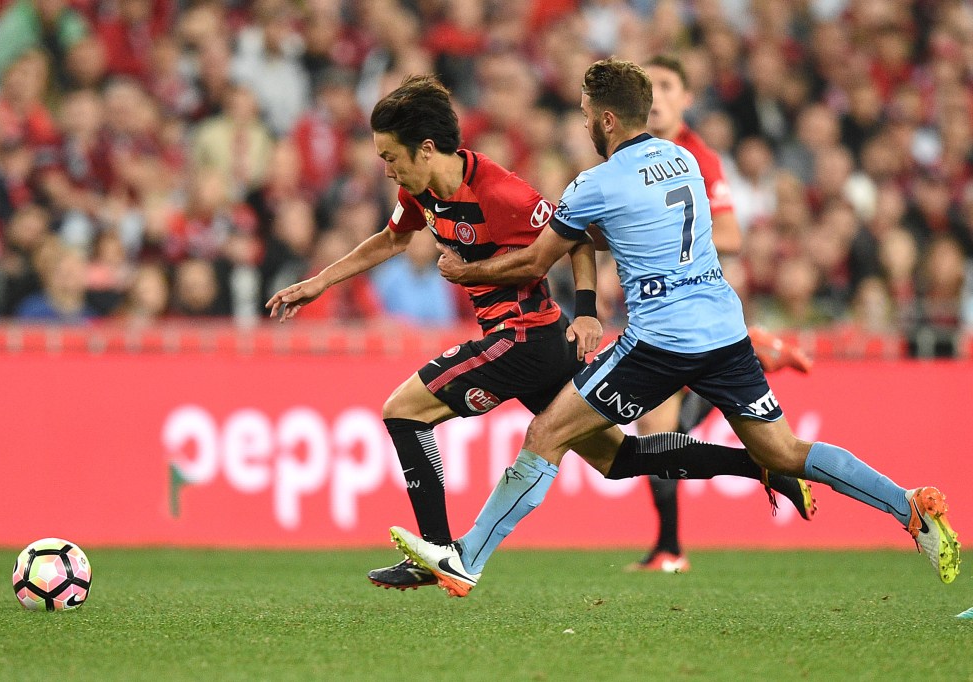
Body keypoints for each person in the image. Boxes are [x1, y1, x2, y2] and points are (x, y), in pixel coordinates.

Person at [390, 58, 960, 597]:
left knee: (546, 436)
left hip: (660, 341)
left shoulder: (596, 183)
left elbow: (536, 261)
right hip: (724, 330)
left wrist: (468, 270)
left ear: (607, 119)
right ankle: (905, 503)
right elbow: (639, 230)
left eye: (588, 113)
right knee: (784, 452)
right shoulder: (680, 159)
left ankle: (466, 559)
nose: (585, 122)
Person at [267, 75, 816, 593]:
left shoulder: (502, 194)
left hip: (524, 337)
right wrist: (317, 283)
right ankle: (764, 465)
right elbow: (388, 240)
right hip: (532, 346)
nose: (387, 169)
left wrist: (584, 310)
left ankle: (437, 552)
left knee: (402, 409)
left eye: (390, 156)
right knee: (618, 459)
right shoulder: (425, 192)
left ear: (426, 149)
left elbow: (575, 238)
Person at [628, 54, 814, 574]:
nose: (656, 95)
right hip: (657, 309)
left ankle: (670, 547)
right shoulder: (630, 154)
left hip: (691, 311)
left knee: (657, 429)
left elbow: (731, 234)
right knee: (658, 431)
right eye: (648, 86)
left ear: (686, 98)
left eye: (667, 84)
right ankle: (670, 546)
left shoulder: (699, 157)